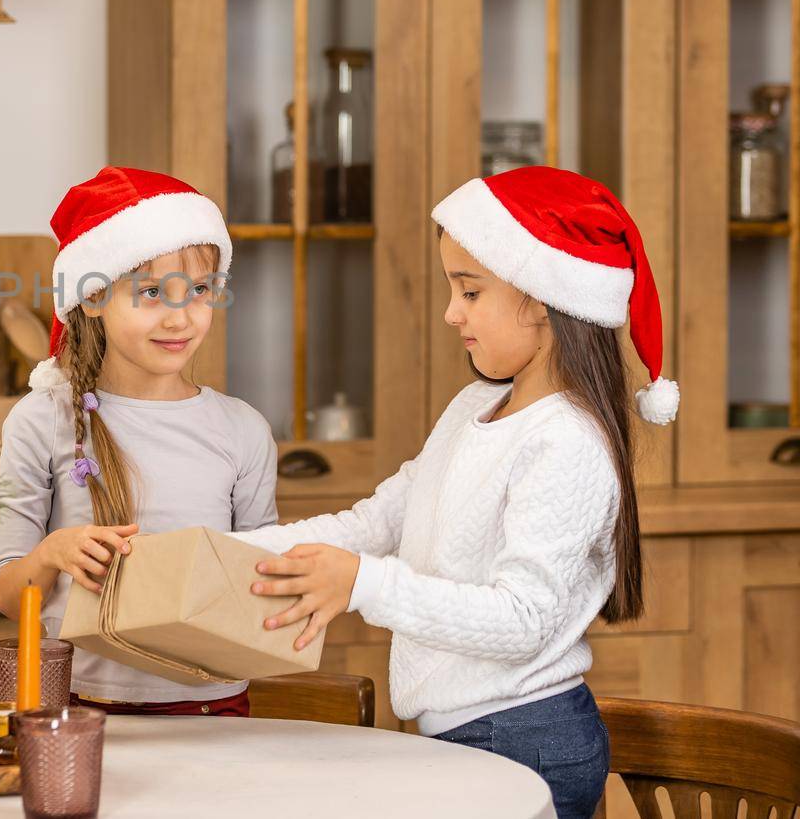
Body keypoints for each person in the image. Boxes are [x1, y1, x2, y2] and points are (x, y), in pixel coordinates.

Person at [234, 166, 676, 818]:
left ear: (543, 297)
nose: (451, 312)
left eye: (470, 291)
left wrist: (365, 584)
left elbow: (523, 620)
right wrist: (222, 548)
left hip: (524, 740)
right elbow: (376, 520)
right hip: (469, 736)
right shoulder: (477, 404)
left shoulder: (568, 442)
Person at [0, 166, 278, 716]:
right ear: (93, 297)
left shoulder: (242, 430)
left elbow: (260, 580)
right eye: (151, 292)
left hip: (212, 707)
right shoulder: (41, 421)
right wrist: (54, 551)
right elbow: (10, 596)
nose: (181, 317)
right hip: (79, 709)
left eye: (199, 290)